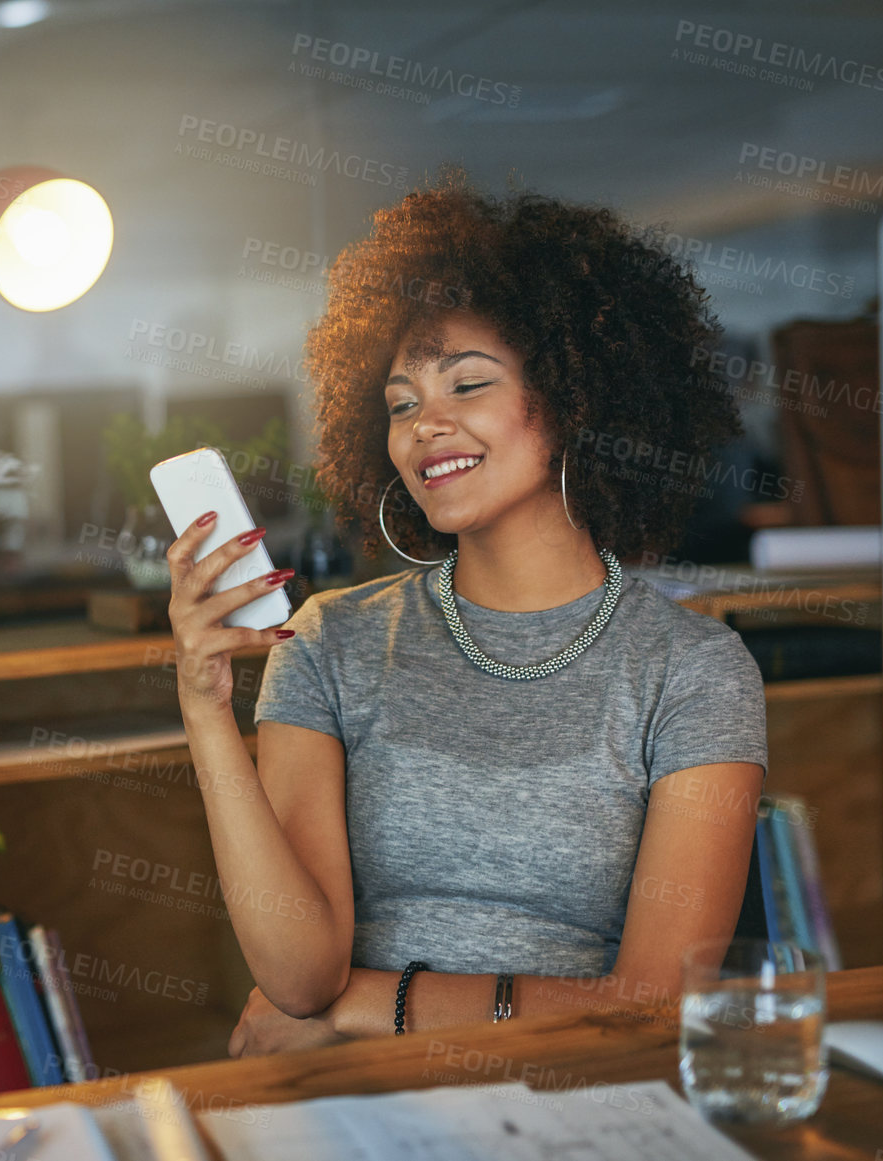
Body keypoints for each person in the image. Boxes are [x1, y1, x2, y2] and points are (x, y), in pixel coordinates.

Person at [165, 170, 767, 1057]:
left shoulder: (696, 670)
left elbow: (657, 1006)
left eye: (467, 385)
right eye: (401, 402)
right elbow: (296, 974)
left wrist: (362, 1006)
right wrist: (204, 710)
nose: (422, 426)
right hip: (360, 1104)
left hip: (580, 1098)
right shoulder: (330, 640)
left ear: (573, 403)